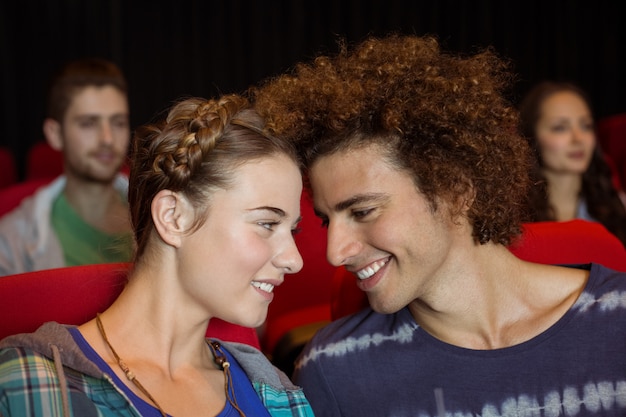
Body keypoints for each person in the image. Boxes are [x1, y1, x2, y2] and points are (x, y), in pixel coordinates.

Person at [253, 34, 626, 416]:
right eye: (327, 220)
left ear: (454, 190)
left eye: (363, 212)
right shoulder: (332, 369)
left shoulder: (619, 321)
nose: (335, 252)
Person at [0, 94, 314, 416]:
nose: (294, 259)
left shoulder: (275, 392)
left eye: (293, 230)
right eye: (266, 223)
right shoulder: (29, 386)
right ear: (173, 217)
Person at [0, 58, 133, 276]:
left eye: (118, 122)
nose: (108, 139)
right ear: (55, 134)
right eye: (88, 123)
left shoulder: (163, 215)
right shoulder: (11, 242)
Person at [519, 81, 626, 246]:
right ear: (531, 137)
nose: (578, 138)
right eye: (560, 128)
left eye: (586, 126)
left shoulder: (618, 208)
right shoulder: (512, 214)